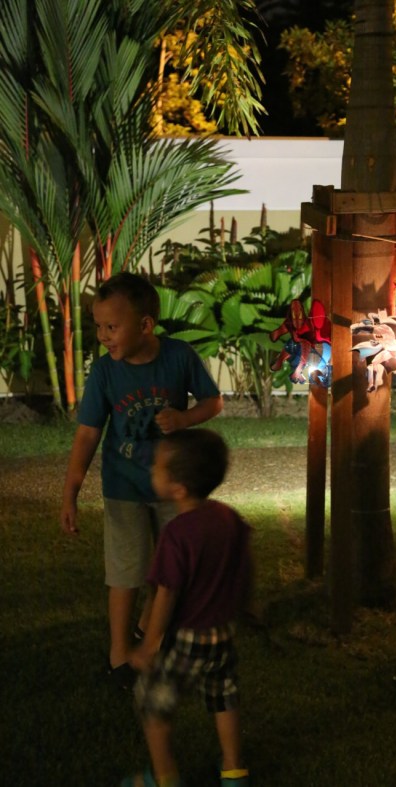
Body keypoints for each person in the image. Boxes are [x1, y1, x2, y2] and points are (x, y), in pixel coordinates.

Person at [60, 271, 222, 688]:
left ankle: (150, 633)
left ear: (145, 325)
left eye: (112, 327)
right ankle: (119, 655)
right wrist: (71, 491)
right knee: (125, 572)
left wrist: (184, 418)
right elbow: (88, 434)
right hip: (123, 488)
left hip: (174, 488)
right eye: (99, 327)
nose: (103, 336)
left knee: (172, 568)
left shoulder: (179, 357)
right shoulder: (105, 373)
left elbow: (213, 401)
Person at [122, 428, 252, 787]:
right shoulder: (229, 517)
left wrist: (149, 645)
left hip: (188, 638)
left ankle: (164, 776)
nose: (152, 470)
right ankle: (233, 771)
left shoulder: (177, 534)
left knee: (152, 701)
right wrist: (245, 605)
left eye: (158, 467)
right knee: (223, 697)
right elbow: (245, 566)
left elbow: (166, 594)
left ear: (178, 488)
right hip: (222, 634)